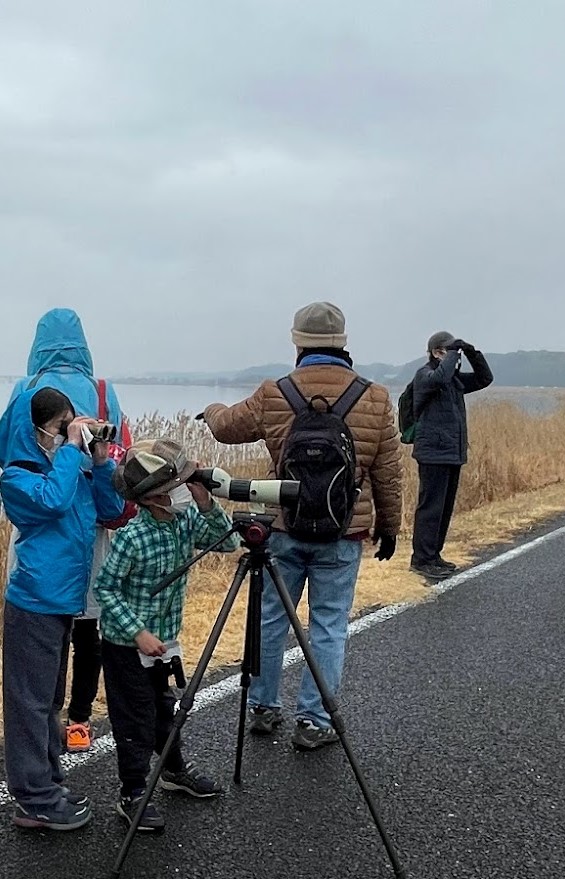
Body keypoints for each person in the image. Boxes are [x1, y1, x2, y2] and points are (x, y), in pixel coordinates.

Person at [201, 301, 402, 747]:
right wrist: (389, 526)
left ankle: (264, 706)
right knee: (329, 625)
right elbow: (388, 472)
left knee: (272, 617)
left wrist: (212, 409)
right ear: (343, 343)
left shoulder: (276, 393)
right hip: (343, 531)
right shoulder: (374, 397)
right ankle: (314, 721)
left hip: (283, 526)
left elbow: (227, 428)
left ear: (298, 343)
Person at [93, 438, 240, 832]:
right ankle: (132, 792)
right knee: (136, 718)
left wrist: (206, 503)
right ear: (155, 498)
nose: (183, 492)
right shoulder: (132, 537)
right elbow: (105, 588)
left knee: (165, 709)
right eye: (177, 487)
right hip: (126, 646)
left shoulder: (184, 522)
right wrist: (137, 632)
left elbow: (229, 542)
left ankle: (173, 770)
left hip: (164, 643)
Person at [0, 387, 123, 831]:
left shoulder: (71, 469)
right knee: (29, 704)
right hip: (33, 601)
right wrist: (72, 448)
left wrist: (101, 460)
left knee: (49, 701)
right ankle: (34, 798)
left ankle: (47, 783)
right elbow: (51, 502)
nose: (66, 434)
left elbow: (111, 509)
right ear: (33, 430)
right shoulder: (17, 477)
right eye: (59, 428)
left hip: (63, 601)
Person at [7, 307, 130, 753]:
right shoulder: (103, 391)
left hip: (41, 534)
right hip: (88, 525)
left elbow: (12, 449)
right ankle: (78, 721)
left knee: (45, 634)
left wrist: (66, 447)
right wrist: (91, 453)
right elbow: (120, 454)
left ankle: (51, 726)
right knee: (87, 629)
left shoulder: (26, 389)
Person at [409, 331, 494, 579]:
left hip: (451, 452)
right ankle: (421, 559)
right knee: (431, 508)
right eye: (447, 351)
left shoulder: (453, 381)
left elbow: (485, 378)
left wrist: (471, 352)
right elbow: (440, 377)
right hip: (433, 452)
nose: (454, 358)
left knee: (444, 508)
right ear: (436, 352)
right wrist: (453, 354)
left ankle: (434, 555)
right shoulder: (425, 375)